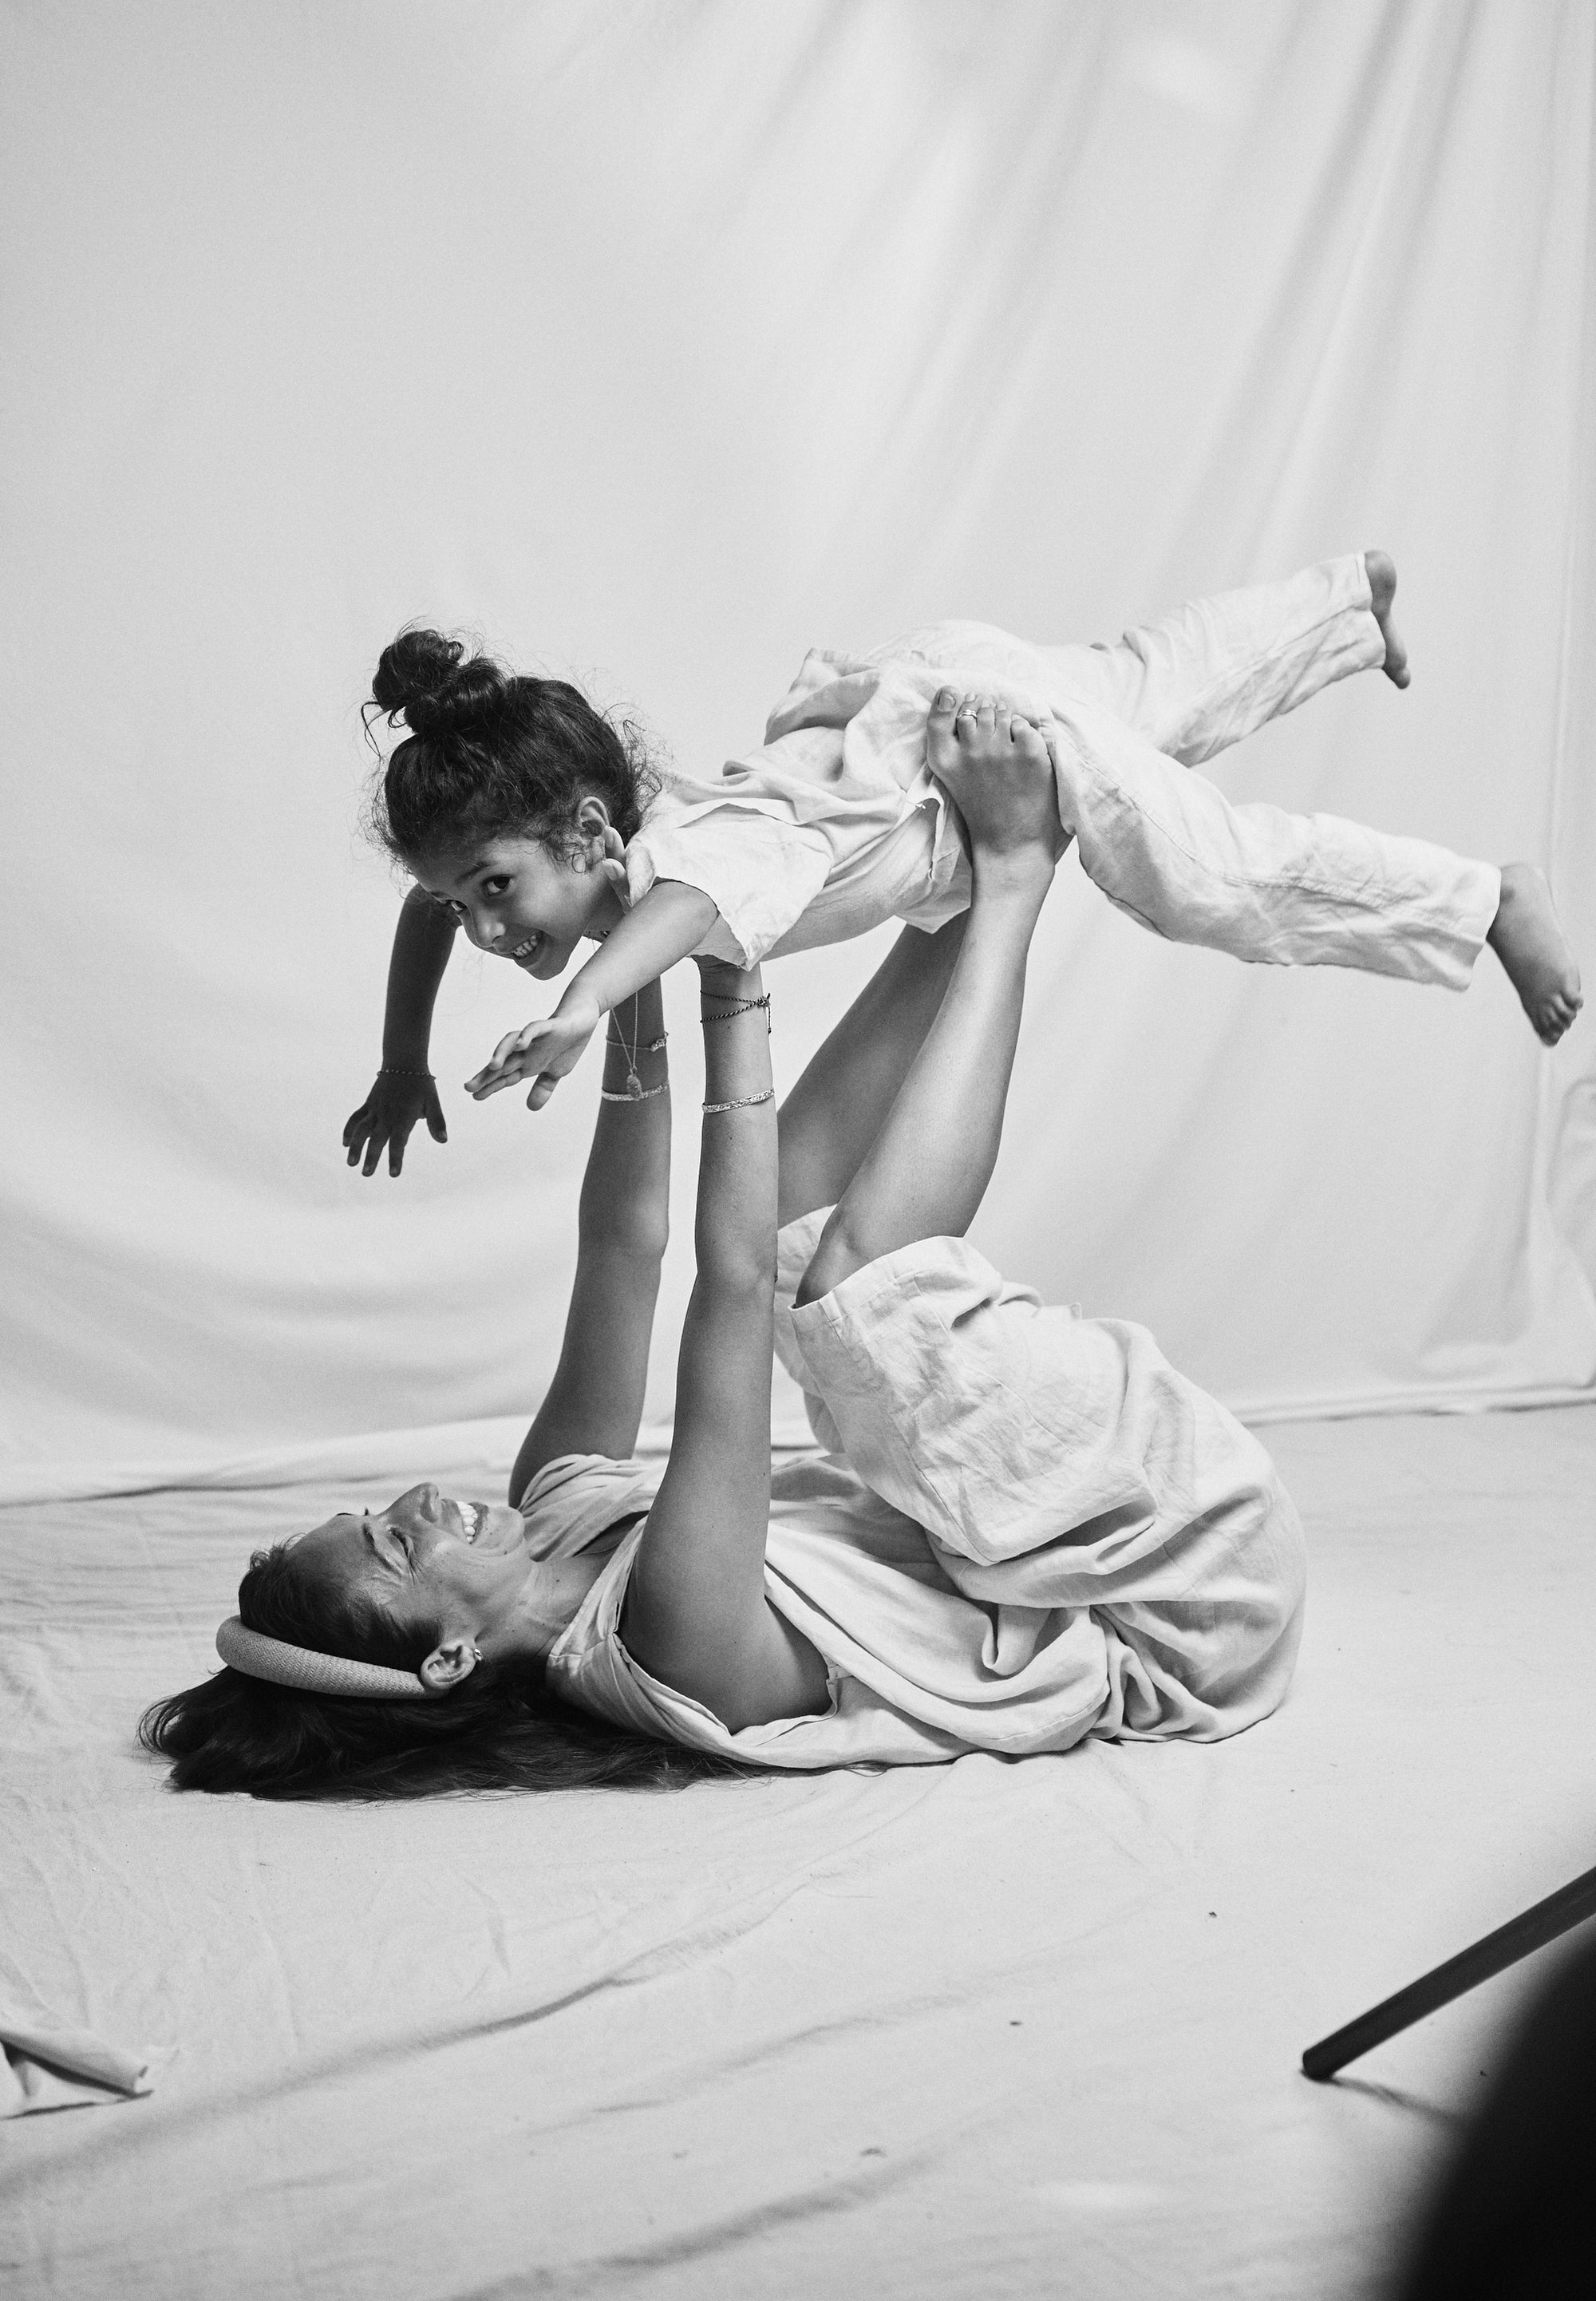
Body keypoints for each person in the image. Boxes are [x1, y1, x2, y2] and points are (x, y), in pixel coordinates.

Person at [147, 699, 1305, 1798]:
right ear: (445, 1659)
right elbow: (732, 1287)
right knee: (844, 1292)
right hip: (1184, 1601)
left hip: (1059, 1547)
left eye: (375, 1510)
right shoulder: (668, 1645)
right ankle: (1014, 874)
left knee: (800, 1206)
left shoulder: (553, 1517)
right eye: (397, 1545)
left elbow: (624, 1252)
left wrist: (624, 969)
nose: (413, 1500)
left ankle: (956, 889)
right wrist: (727, 982)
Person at [342, 552, 1579, 1177]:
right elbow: (425, 917)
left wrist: (582, 1008)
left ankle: (1483, 900)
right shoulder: (601, 853)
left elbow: (681, 910)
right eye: (468, 900)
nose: (484, 928)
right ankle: (1339, 603)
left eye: (495, 891)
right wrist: (404, 1058)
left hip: (975, 745)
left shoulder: (688, 859)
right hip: (943, 695)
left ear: (590, 834)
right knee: (1151, 687)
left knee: (1208, 880)